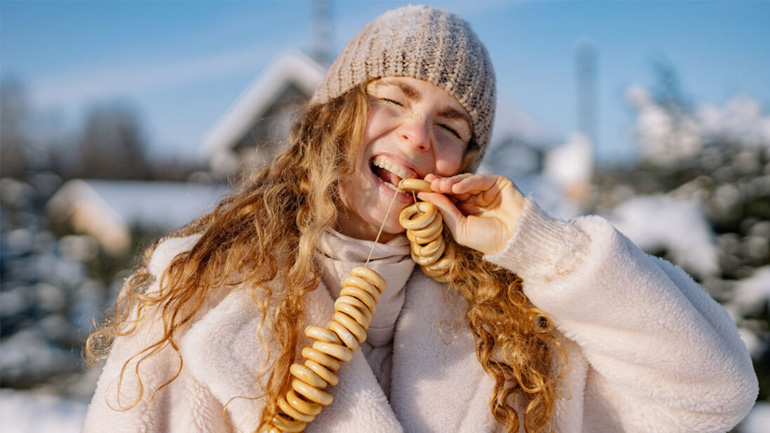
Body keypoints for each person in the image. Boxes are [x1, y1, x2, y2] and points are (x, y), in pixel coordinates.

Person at [83, 5, 757, 433]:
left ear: (465, 160)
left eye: (449, 125)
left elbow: (713, 392)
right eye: (393, 100)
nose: (416, 135)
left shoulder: (514, 323)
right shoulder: (197, 294)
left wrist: (540, 248)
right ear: (331, 117)